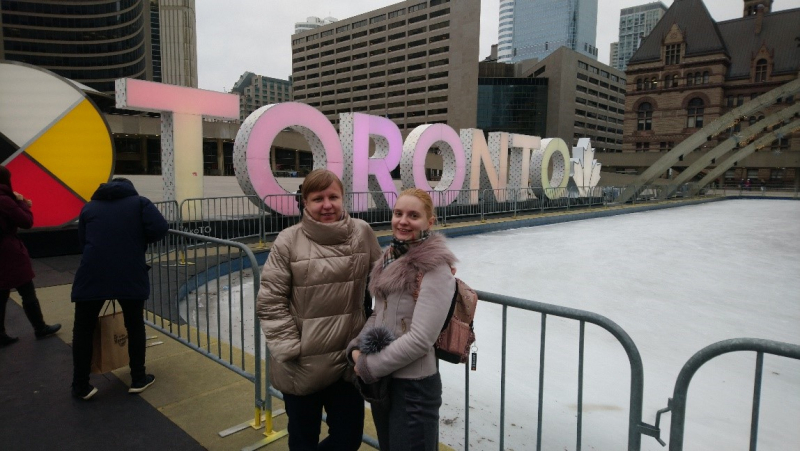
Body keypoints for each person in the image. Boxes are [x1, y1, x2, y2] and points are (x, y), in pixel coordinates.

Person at [349, 188, 457, 451]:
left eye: (413, 216)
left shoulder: (435, 268)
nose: (403, 221)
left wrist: (368, 366)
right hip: (385, 384)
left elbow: (421, 339)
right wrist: (357, 346)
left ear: (429, 222)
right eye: (398, 213)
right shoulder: (390, 259)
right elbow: (379, 313)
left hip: (414, 389)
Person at [70, 177, 169, 400]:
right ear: (129, 189)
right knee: (134, 325)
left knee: (83, 329)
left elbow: (83, 241)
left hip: (92, 273)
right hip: (129, 272)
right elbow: (160, 228)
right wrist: (139, 239)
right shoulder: (139, 203)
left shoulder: (89, 207)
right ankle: (138, 378)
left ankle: (80, 385)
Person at [0, 166, 61, 346]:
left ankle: (0, 334)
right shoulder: (5, 200)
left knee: (1, 294)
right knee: (27, 290)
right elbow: (26, 222)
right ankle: (40, 327)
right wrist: (22, 204)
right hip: (9, 252)